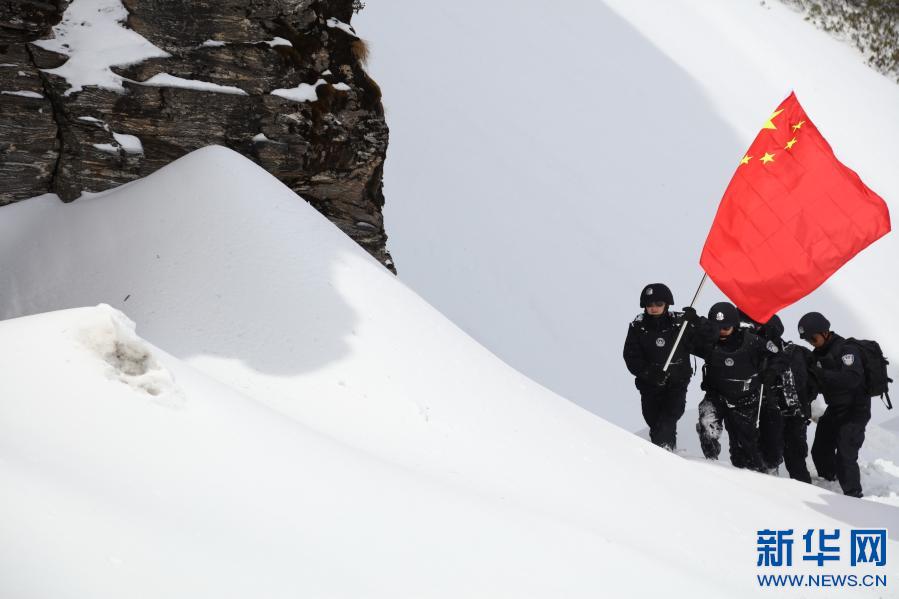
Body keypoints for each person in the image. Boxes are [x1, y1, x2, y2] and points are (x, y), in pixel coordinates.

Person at [689, 301, 781, 471]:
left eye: (726, 327)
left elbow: (778, 356)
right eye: (717, 328)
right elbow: (685, 342)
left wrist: (771, 372)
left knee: (744, 451)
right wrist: (692, 322)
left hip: (745, 400)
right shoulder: (708, 342)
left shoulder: (752, 341)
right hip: (716, 395)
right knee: (706, 422)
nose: (721, 332)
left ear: (735, 325)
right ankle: (711, 465)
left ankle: (755, 476)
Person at [798, 311, 869, 497]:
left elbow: (852, 379)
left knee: (845, 455)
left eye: (813, 338)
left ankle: (853, 497)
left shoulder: (846, 350)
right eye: (808, 340)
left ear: (825, 332)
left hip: (855, 409)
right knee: (820, 451)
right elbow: (815, 384)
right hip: (835, 408)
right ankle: (831, 481)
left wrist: (823, 374)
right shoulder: (817, 355)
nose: (811, 343)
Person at [623, 283, 694, 451]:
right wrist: (650, 373)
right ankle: (661, 457)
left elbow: (707, 340)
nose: (654, 308)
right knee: (654, 422)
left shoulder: (680, 322)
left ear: (667, 304)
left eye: (659, 304)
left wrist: (697, 322)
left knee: (668, 419)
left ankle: (666, 452)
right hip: (650, 386)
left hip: (676, 383)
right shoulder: (638, 326)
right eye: (649, 304)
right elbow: (631, 357)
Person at [756, 314, 814, 483]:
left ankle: (780, 494)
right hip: (791, 415)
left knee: (773, 460)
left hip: (776, 415)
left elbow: (812, 382)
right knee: (792, 461)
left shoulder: (764, 353)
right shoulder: (797, 351)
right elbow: (812, 384)